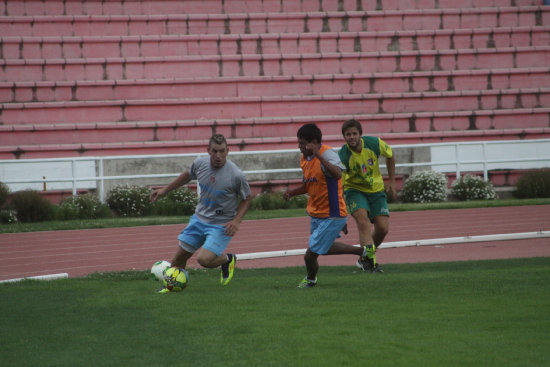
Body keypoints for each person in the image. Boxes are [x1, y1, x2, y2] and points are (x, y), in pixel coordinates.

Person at [150, 134, 252, 292]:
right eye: (215, 151)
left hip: (221, 224)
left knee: (203, 260)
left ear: (228, 151)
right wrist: (164, 190)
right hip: (199, 219)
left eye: (222, 151)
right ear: (208, 151)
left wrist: (236, 221)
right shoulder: (200, 163)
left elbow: (247, 198)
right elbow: (187, 175)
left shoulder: (236, 175)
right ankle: (171, 287)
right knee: (179, 257)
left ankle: (227, 260)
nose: (218, 155)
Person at [284, 123, 371, 288]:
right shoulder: (304, 159)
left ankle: (310, 280)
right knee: (324, 247)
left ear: (314, 142)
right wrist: (292, 192)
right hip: (317, 213)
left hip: (332, 213)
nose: (299, 146)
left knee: (310, 255)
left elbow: (338, 174)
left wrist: (320, 156)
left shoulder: (328, 154)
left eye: (302, 143)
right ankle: (363, 252)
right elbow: (308, 184)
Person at [338, 119, 396, 273]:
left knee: (383, 228)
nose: (351, 137)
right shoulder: (343, 155)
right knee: (363, 221)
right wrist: (341, 205)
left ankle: (364, 258)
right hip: (354, 191)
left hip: (376, 190)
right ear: (344, 137)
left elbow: (390, 155)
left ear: (360, 135)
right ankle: (371, 263)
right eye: (348, 134)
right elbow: (338, 180)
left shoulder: (374, 144)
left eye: (354, 133)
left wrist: (391, 181)